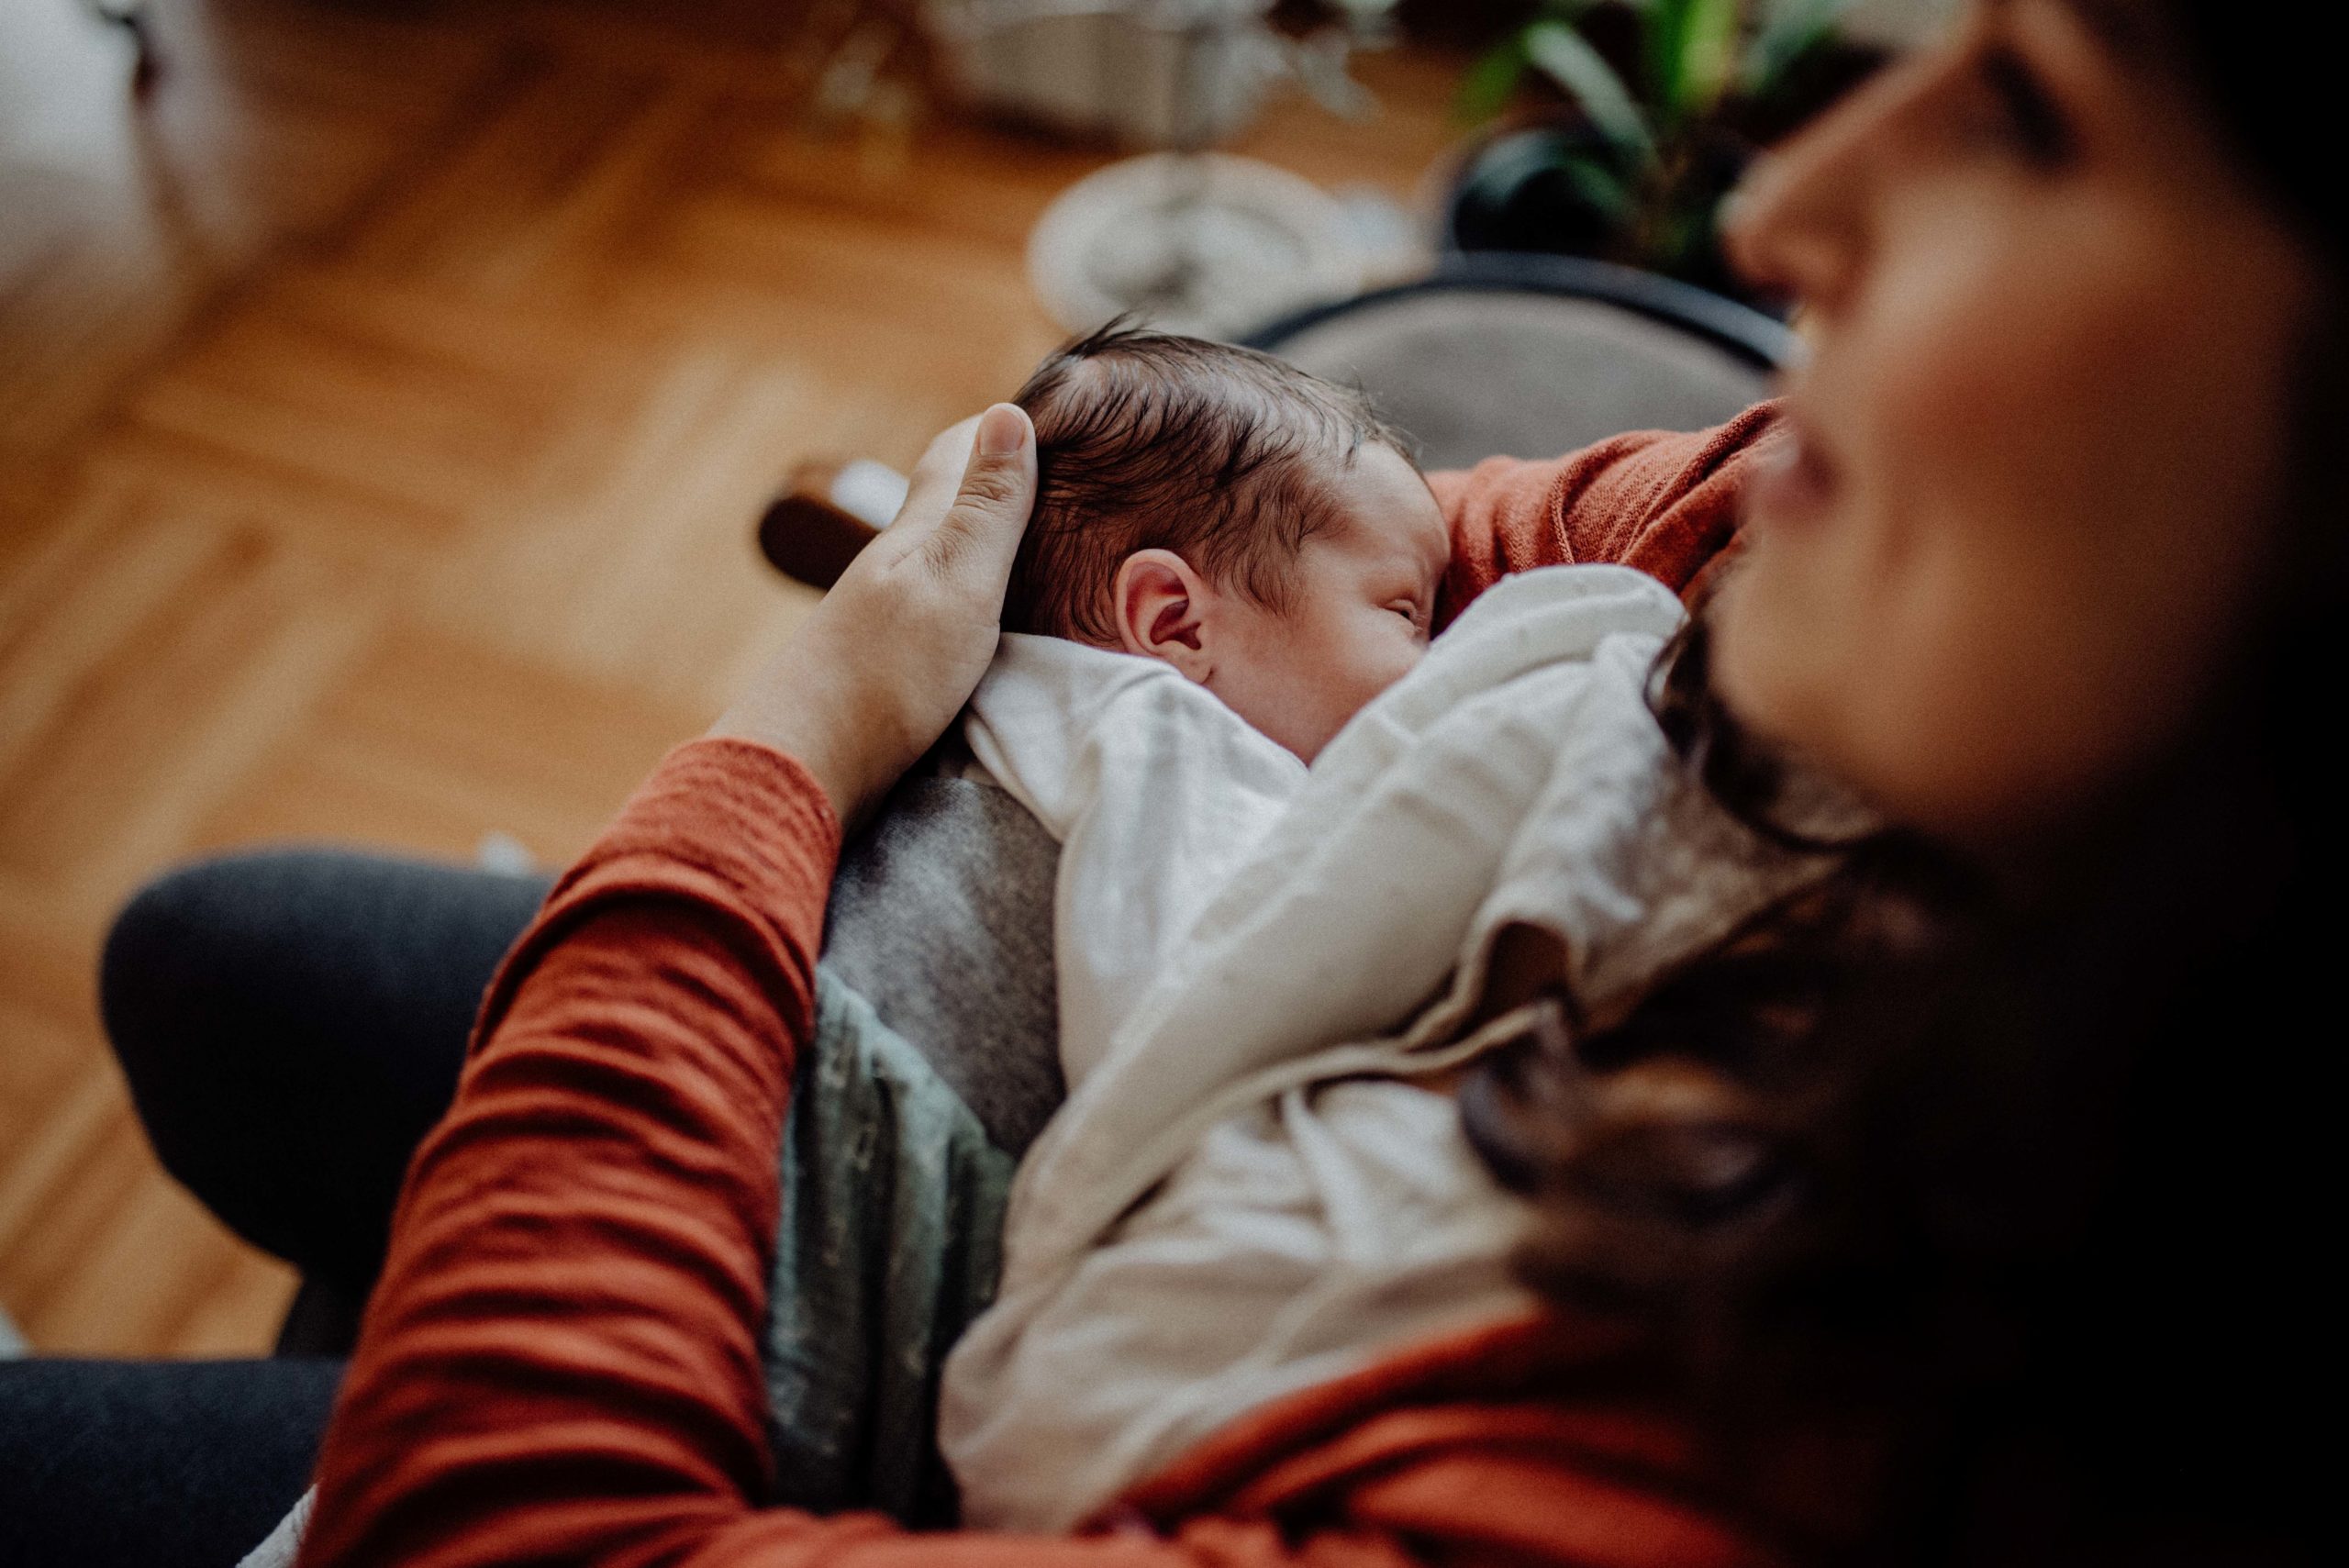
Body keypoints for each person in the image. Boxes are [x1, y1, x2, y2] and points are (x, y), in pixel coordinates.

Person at [6, 0, 2331, 1562]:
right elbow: (1497, 547)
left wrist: (795, 733)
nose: (1774, 213)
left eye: (2023, 116)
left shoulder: (1693, 1477)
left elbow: (513, 1532)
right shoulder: (1798, 583)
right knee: (201, 963)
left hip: (875, 1335)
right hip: (881, 1081)